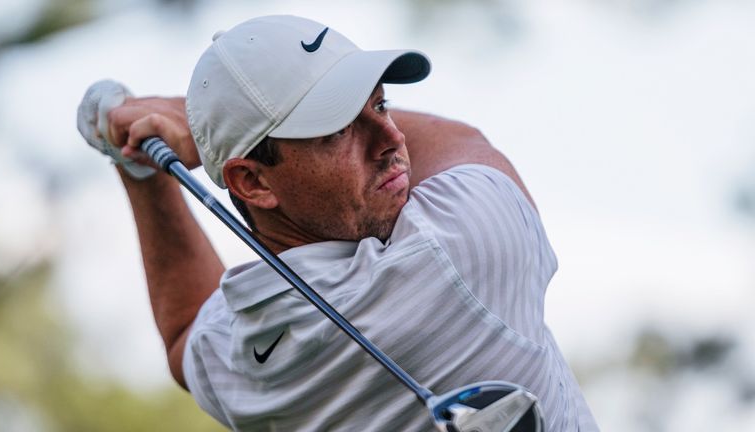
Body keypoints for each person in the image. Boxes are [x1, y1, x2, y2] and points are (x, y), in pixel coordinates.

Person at [77, 15, 598, 432]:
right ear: (253, 181)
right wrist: (184, 119)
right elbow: (462, 140)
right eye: (337, 128)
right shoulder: (458, 248)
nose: (389, 138)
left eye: (380, 102)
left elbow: (184, 334)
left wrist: (142, 170)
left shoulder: (248, 355)